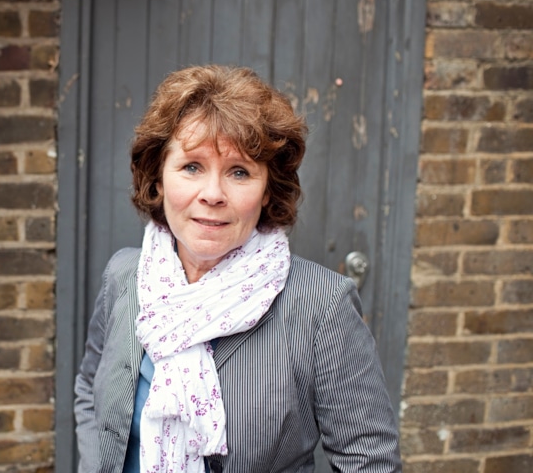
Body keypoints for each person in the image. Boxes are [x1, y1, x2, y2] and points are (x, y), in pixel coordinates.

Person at [74, 65, 401, 473]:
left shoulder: (322, 305)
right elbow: (89, 390)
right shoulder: (125, 275)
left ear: (267, 191)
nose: (212, 194)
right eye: (192, 167)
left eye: (239, 172)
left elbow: (368, 462)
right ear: (157, 178)